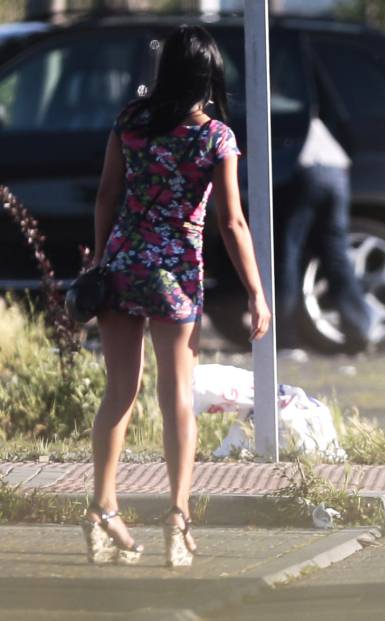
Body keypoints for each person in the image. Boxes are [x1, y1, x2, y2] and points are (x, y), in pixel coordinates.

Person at [83, 25, 270, 568]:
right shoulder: (216, 138)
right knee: (177, 396)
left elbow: (105, 195)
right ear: (209, 76)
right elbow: (232, 221)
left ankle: (101, 508)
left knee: (118, 392)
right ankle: (177, 519)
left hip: (122, 266)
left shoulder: (130, 122)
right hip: (175, 274)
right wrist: (256, 292)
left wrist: (100, 260)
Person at [276, 113, 371, 359]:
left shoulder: (273, 107)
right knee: (336, 254)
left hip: (305, 168)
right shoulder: (315, 109)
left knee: (289, 251)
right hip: (337, 170)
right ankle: (359, 331)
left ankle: (284, 337)